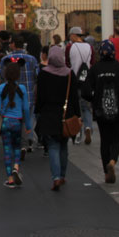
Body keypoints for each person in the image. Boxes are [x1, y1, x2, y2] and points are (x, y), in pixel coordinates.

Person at [34, 46, 80, 191]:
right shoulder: (70, 74)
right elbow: (74, 96)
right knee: (63, 145)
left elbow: (39, 96)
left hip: (49, 114)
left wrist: (38, 111)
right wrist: (77, 115)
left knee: (53, 145)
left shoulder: (43, 74)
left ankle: (55, 177)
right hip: (65, 115)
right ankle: (62, 175)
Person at [88, 40, 119, 184]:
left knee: (104, 141)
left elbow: (85, 91)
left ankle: (107, 172)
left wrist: (94, 99)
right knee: (116, 139)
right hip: (117, 108)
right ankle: (113, 161)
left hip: (101, 111)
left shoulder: (95, 68)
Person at [0, 61, 32, 188]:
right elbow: (26, 108)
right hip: (18, 122)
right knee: (17, 146)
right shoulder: (22, 89)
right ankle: (16, 167)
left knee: (7, 150)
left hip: (5, 122)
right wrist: (28, 125)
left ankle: (9, 179)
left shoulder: (0, 89)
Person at [0, 35, 40, 151]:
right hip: (28, 95)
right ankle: (27, 142)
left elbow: (2, 77)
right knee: (27, 119)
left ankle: (16, 142)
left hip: (11, 95)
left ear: (13, 44)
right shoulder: (32, 59)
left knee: (13, 119)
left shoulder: (6, 60)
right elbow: (37, 77)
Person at [66, 26, 95, 145]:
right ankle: (88, 127)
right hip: (86, 80)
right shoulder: (90, 47)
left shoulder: (70, 47)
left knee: (75, 108)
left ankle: (77, 133)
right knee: (86, 107)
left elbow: (67, 63)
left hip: (74, 80)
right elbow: (92, 63)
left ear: (74, 35)